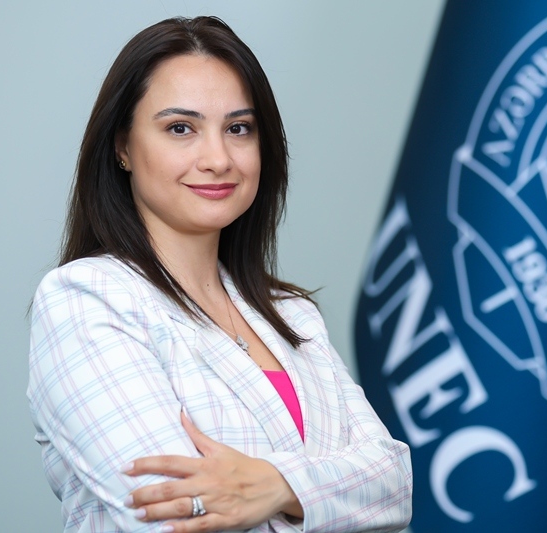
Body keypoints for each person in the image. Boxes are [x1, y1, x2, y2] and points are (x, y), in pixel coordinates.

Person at [27, 16, 412, 533]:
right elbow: (171, 513)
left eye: (238, 128)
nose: (218, 158)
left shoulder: (292, 314)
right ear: (122, 147)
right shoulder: (85, 298)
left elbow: (395, 486)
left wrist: (275, 486)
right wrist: (327, 497)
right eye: (180, 128)